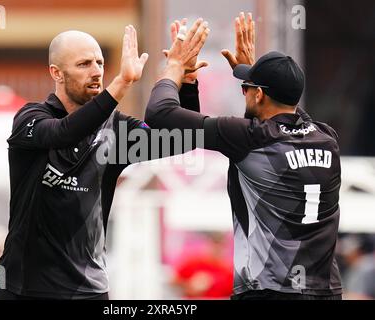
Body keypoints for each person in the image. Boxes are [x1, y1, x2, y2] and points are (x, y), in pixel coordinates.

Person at [0, 23, 209, 300]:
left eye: (100, 62)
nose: (96, 72)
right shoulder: (31, 118)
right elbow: (64, 133)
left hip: (88, 290)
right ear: (56, 73)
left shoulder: (115, 130)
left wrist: (185, 77)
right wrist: (122, 84)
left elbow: (184, 139)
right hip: (22, 289)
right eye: (84, 64)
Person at [145, 12, 343, 300]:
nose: (244, 92)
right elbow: (288, 114)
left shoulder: (248, 137)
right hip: (326, 291)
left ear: (259, 95)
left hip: (268, 291)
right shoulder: (327, 138)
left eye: (246, 88)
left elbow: (160, 114)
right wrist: (256, 74)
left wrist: (175, 68)